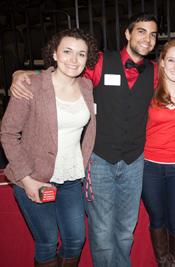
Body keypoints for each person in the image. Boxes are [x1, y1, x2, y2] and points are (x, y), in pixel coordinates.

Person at [10, 13, 158, 267]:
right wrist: (21, 73)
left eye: (153, 34)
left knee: (125, 230)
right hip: (99, 160)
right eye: (141, 31)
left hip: (134, 162)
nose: (147, 38)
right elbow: (63, 71)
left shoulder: (156, 71)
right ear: (127, 34)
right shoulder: (99, 62)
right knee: (100, 232)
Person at [1, 28, 97, 267]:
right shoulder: (31, 86)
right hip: (34, 177)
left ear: (88, 59)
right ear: (54, 53)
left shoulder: (86, 87)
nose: (74, 60)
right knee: (47, 241)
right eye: (67, 51)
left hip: (72, 178)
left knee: (75, 240)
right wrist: (26, 179)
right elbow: (8, 133)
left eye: (81, 54)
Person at [141, 39, 175, 267]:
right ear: (161, 62)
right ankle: (162, 262)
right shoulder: (148, 88)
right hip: (149, 166)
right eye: (171, 60)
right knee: (157, 220)